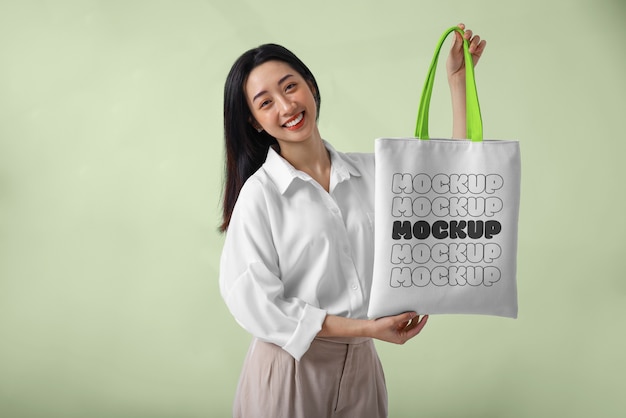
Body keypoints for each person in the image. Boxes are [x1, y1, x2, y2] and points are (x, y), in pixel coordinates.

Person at [219, 23, 486, 418]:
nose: (286, 106)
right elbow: (258, 304)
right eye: (265, 102)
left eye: (290, 86)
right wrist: (366, 329)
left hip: (362, 368)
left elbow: (450, 197)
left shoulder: (374, 173)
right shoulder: (260, 197)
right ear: (255, 123)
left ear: (310, 85)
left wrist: (459, 84)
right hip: (290, 370)